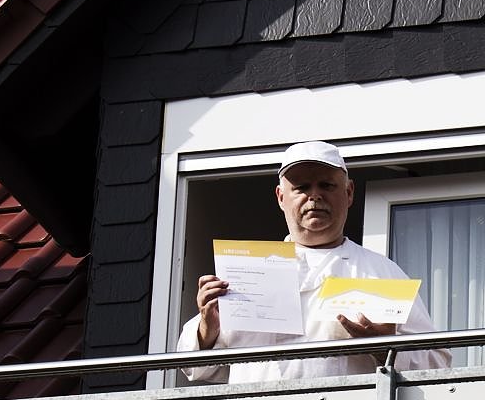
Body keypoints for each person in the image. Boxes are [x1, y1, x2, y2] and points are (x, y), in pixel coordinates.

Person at [176, 140, 452, 383]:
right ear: (281, 197)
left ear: (349, 192)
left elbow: (438, 366)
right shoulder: (245, 272)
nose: (315, 195)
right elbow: (196, 369)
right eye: (302, 187)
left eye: (326, 185)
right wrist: (207, 328)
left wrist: (385, 349)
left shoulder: (381, 272)